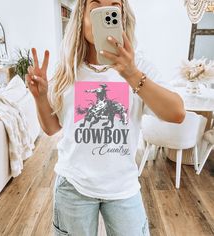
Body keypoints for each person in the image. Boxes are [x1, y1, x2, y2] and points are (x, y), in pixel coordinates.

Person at [25, 0, 185, 235]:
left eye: (113, 7)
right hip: (74, 185)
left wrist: (131, 74)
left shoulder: (138, 66)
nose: (105, 13)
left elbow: (177, 113)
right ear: (82, 17)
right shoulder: (67, 68)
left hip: (123, 187)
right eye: (96, 7)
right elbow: (52, 128)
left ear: (121, 17)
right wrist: (40, 98)